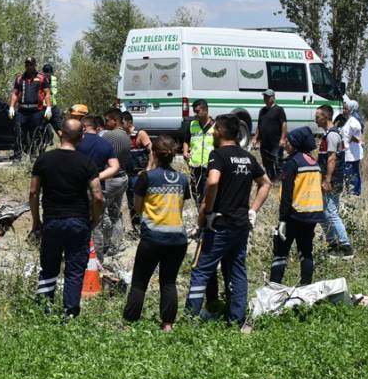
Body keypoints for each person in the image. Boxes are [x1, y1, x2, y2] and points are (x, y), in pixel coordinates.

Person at [185, 114, 271, 328]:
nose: (213, 132)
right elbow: (266, 183)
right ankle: (237, 319)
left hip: (220, 224)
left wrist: (208, 210)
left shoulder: (218, 155)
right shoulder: (248, 157)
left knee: (202, 270)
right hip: (241, 225)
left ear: (221, 132)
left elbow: (212, 182)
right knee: (237, 271)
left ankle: (189, 319)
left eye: (215, 130)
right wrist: (253, 211)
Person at [29, 118, 104, 318]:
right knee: (74, 270)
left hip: (52, 221)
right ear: (81, 138)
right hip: (79, 221)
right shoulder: (87, 162)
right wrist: (94, 220)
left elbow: (33, 192)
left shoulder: (44, 159)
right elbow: (97, 196)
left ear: (60, 133)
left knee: (49, 267)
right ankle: (69, 313)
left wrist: (36, 220)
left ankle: (43, 309)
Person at [123, 135, 190, 330]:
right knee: (169, 282)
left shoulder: (147, 177)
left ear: (153, 153)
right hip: (178, 237)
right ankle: (167, 324)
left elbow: (137, 206)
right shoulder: (183, 179)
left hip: (153, 237)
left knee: (139, 281)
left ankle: (130, 322)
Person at [269, 127, 326, 286]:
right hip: (312, 215)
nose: (285, 143)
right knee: (306, 252)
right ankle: (306, 287)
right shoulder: (313, 163)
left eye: (288, 140)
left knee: (280, 252)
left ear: (295, 144)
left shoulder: (292, 163)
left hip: (294, 215)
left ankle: (273, 289)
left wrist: (282, 220)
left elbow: (287, 195)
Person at [76, 115, 121, 264]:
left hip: (76, 189)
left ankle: (77, 258)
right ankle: (97, 262)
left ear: (83, 127)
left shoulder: (77, 142)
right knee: (97, 226)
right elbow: (115, 167)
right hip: (97, 191)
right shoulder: (105, 144)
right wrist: (97, 177)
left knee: (77, 223)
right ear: (96, 127)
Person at [316, 104, 354, 259]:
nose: (315, 119)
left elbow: (331, 159)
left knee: (331, 212)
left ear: (325, 117)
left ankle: (345, 247)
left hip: (331, 181)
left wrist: (327, 180)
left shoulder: (332, 135)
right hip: (330, 180)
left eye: (317, 116)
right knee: (323, 212)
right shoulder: (330, 134)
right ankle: (332, 244)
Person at [99, 108, 133, 259]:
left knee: (101, 212)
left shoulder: (110, 135)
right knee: (116, 212)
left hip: (110, 179)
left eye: (107, 120)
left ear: (114, 120)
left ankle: (104, 243)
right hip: (122, 177)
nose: (105, 123)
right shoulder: (125, 135)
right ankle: (117, 244)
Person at [9, 56, 51, 157]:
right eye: (27, 64)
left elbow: (47, 93)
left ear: (35, 65)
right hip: (22, 110)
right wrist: (11, 107)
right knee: (18, 132)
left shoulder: (41, 77)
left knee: (35, 134)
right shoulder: (19, 78)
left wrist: (49, 107)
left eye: (31, 64)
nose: (29, 66)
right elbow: (15, 93)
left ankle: (34, 155)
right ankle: (18, 155)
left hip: (36, 110)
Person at [181, 99, 215, 203]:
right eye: (195, 111)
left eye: (198, 111)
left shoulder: (215, 125)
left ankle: (205, 215)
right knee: (196, 193)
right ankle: (199, 211)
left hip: (209, 165)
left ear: (206, 110)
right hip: (195, 166)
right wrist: (185, 152)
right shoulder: (192, 125)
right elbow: (186, 141)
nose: (196, 114)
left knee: (207, 194)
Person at [122, 111, 152, 228]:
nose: (120, 125)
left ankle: (145, 226)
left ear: (129, 122)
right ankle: (135, 227)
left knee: (142, 201)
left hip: (139, 174)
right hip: (127, 174)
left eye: (122, 122)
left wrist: (149, 168)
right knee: (131, 203)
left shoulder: (140, 133)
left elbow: (151, 151)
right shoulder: (123, 135)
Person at [252, 89, 287, 183]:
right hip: (264, 143)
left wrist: (283, 138)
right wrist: (255, 138)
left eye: (267, 96)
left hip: (276, 142)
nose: (265, 98)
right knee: (267, 163)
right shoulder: (262, 111)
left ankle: (281, 182)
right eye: (264, 96)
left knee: (278, 162)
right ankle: (271, 180)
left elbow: (284, 124)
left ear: (273, 98)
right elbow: (259, 125)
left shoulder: (279, 110)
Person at [341, 97, 364, 196]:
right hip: (352, 153)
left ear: (350, 109)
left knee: (351, 175)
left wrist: (352, 138)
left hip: (351, 153)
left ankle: (353, 195)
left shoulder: (353, 119)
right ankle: (356, 194)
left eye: (346, 109)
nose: (344, 110)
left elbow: (357, 130)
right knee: (354, 174)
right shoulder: (351, 119)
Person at [42, 63, 62, 131]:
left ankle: (64, 140)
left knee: (59, 127)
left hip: (53, 106)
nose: (48, 75)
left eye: (49, 74)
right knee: (41, 127)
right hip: (42, 107)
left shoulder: (53, 79)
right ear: (43, 73)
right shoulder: (39, 79)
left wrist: (46, 84)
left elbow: (53, 92)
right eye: (46, 74)